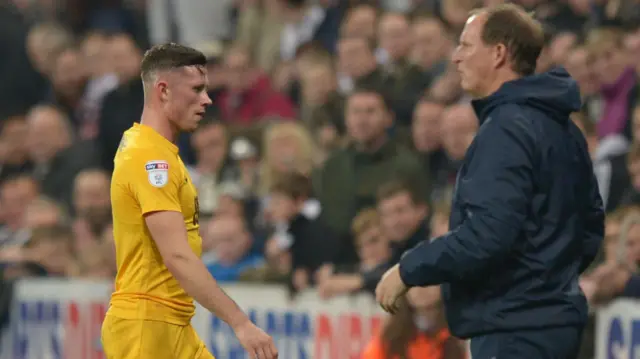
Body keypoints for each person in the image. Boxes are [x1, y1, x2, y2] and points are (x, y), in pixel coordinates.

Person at [375, 4, 604, 359]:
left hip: (515, 329)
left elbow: (488, 233)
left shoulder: (506, 130)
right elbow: (588, 227)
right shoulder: (564, 127)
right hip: (553, 324)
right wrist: (550, 279)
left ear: (499, 54)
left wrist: (409, 269)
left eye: (466, 46)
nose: (455, 57)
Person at [101, 43, 278, 359]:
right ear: (164, 91)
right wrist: (240, 323)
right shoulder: (151, 158)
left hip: (169, 323)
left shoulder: (153, 149)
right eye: (196, 90)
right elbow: (177, 257)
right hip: (148, 328)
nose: (207, 100)